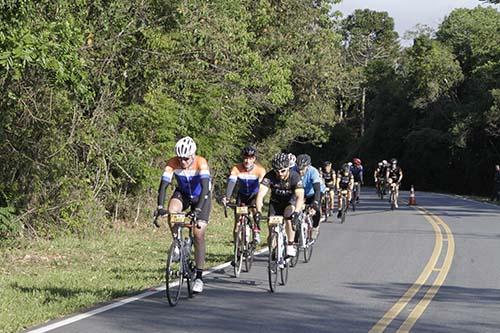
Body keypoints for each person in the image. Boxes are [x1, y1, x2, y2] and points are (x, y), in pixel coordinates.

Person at [156, 136, 211, 293]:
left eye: (186, 159)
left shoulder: (201, 162)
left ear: (193, 155)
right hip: (184, 194)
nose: (183, 162)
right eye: (180, 158)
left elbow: (205, 187)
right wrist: (160, 207)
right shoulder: (172, 163)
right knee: (172, 212)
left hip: (202, 196)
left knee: (198, 234)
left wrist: (197, 210)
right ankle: (178, 244)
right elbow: (164, 186)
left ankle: (199, 277)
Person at [256, 153, 305, 257]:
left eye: (283, 171)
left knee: (288, 216)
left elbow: (300, 196)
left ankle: (290, 244)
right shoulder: (270, 176)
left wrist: (296, 212)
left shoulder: (295, 176)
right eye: (276, 171)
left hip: (289, 201)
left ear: (288, 168)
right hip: (275, 203)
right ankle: (274, 250)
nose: (280, 174)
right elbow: (260, 194)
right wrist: (258, 211)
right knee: (271, 231)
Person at [222, 146, 267, 243]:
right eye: (245, 158)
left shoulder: (260, 170)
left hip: (254, 195)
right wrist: (227, 197)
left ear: (254, 159)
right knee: (237, 222)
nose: (247, 161)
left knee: (255, 210)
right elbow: (232, 182)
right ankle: (237, 249)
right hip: (242, 195)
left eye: (250, 158)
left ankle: (256, 231)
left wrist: (259, 201)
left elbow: (262, 187)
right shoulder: (236, 168)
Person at [296, 154, 325, 240]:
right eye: (299, 169)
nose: (300, 172)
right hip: (301, 192)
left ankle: (315, 227)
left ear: (308, 167)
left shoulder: (313, 172)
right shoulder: (294, 170)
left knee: (316, 210)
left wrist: (315, 203)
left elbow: (317, 190)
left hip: (314, 192)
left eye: (303, 169)